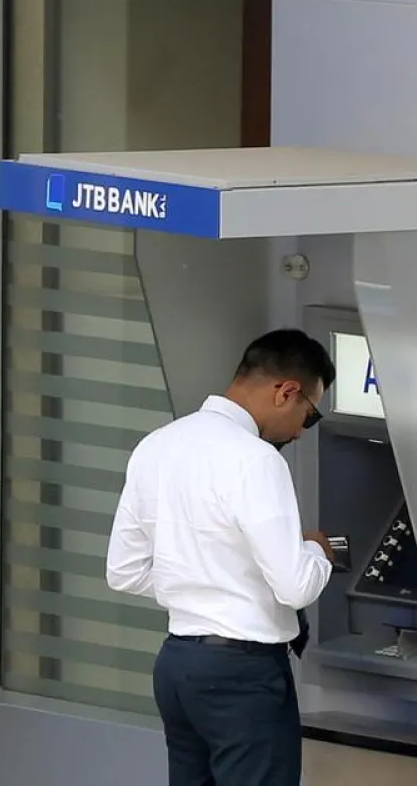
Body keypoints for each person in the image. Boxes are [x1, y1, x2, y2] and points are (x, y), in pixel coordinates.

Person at [105, 328, 337, 786]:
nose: (302, 432)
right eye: (309, 416)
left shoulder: (157, 444)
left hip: (177, 666)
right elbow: (296, 585)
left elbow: (124, 572)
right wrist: (317, 550)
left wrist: (201, 584)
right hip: (243, 675)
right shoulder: (256, 459)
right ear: (287, 392)